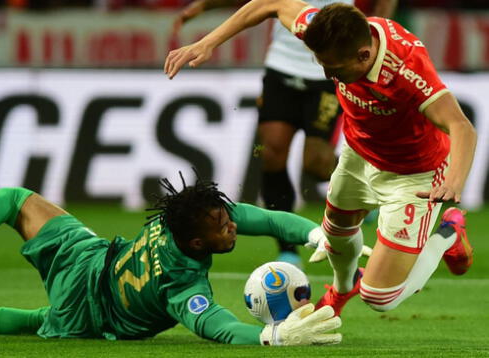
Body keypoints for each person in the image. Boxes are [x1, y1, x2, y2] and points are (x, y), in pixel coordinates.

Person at [164, 0, 476, 316]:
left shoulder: (406, 70)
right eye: (321, 63)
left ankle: (448, 234)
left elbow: (461, 127)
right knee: (335, 233)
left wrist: (454, 182)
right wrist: (207, 43)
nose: (327, 73)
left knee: (380, 298)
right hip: (360, 153)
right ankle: (342, 290)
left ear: (364, 55)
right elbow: (270, 3)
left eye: (335, 67)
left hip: (413, 173)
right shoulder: (327, 30)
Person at [0, 174, 344, 346]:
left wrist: (316, 231)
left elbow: (267, 220)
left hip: (88, 257)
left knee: (13, 199)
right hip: (92, 311)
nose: (233, 226)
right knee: (35, 324)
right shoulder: (182, 285)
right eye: (223, 226)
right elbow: (215, 326)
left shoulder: (176, 217)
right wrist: (269, 335)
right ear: (198, 245)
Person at [170, 0, 397, 268]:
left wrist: (376, 35)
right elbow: (263, 2)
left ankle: (363, 187)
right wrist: (205, 7)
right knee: (271, 153)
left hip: (331, 67)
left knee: (317, 164)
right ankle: (287, 249)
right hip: (282, 66)